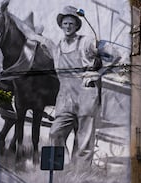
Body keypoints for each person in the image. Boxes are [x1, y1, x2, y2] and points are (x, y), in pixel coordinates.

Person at [49, 5, 102, 166]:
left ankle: (79, 178)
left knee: (83, 142)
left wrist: (97, 74)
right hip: (65, 98)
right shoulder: (57, 47)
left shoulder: (86, 42)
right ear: (61, 25)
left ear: (76, 25)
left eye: (71, 23)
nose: (68, 26)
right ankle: (57, 170)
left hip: (85, 96)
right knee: (55, 133)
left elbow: (113, 55)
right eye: (65, 23)